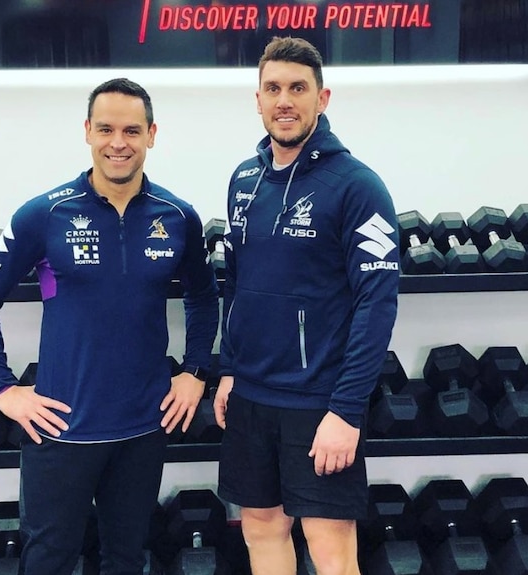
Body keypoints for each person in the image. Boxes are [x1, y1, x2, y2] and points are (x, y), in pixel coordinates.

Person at [0, 77, 219, 575]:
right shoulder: (45, 214)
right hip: (62, 428)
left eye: (131, 130)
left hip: (143, 427)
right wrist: (2, 389)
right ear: (87, 132)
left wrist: (195, 371)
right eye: (106, 129)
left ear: (151, 134)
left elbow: (203, 295)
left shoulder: (177, 216)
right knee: (48, 560)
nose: (118, 142)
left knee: (126, 558)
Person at [214, 37, 400, 575]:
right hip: (250, 396)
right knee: (261, 528)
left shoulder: (358, 186)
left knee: (330, 547)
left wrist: (346, 410)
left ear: (323, 98)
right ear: (257, 99)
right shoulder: (244, 180)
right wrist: (228, 369)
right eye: (273, 88)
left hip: (319, 401)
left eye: (298, 88)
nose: (285, 100)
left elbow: (377, 303)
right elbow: (238, 283)